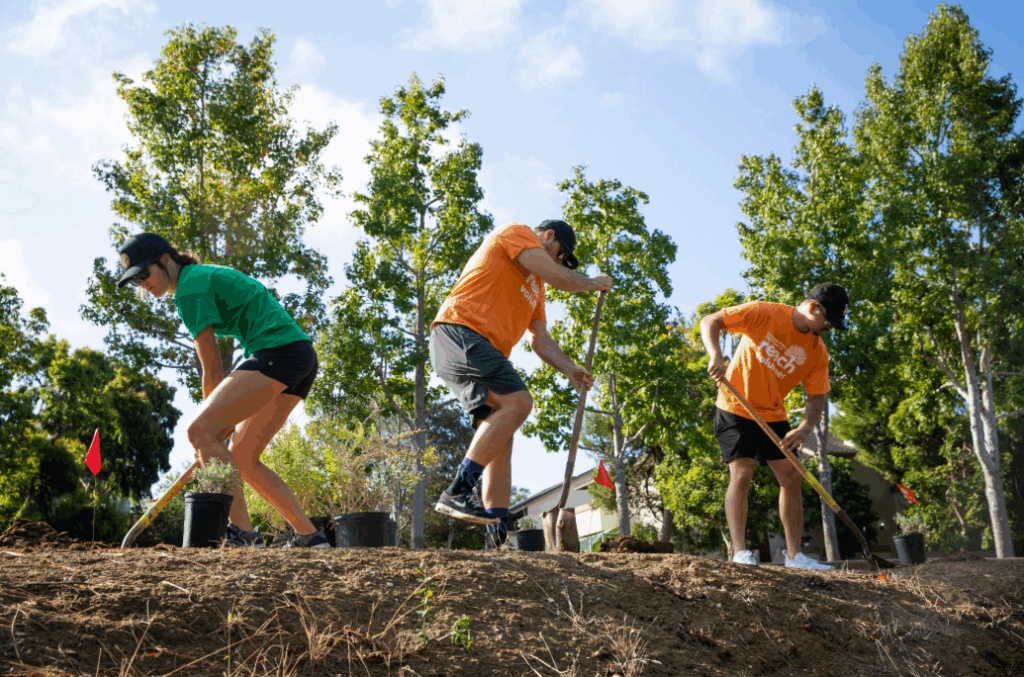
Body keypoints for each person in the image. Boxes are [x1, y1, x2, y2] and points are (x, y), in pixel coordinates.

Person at [115, 232, 330, 548]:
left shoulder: (189, 289)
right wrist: (214, 430)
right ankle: (310, 537)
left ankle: (243, 535)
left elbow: (212, 368)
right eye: (135, 282)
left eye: (144, 274)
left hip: (278, 353)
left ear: (165, 260)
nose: (143, 284)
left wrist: (209, 431)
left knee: (199, 430)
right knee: (243, 457)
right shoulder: (198, 279)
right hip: (300, 357)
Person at [430, 220, 613, 532]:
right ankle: (458, 491)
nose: (558, 262)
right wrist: (594, 282)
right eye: (560, 254)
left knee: (502, 438)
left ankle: (498, 532)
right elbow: (562, 279)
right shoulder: (517, 233)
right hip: (461, 331)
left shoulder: (536, 286)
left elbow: (539, 340)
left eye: (564, 260)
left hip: (478, 347)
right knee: (519, 402)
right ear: (548, 235)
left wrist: (570, 370)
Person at [699, 283, 850, 570]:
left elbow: (817, 398)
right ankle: (740, 553)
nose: (829, 328)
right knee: (742, 472)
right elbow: (711, 320)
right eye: (828, 320)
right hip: (735, 404)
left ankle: (795, 557)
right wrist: (715, 354)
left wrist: (805, 428)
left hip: (773, 414)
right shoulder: (764, 312)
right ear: (812, 307)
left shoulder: (817, 352)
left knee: (791, 477)